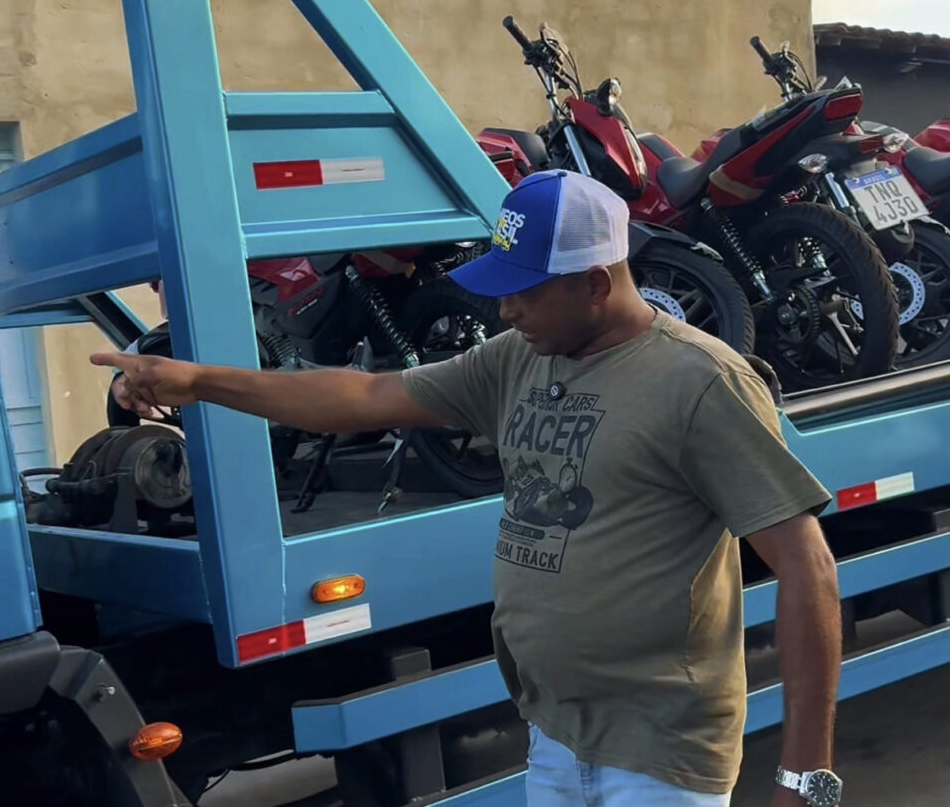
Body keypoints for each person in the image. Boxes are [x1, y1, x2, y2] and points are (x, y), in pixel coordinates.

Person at [92, 170, 843, 807]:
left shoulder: (700, 382)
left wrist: (805, 777)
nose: (504, 310)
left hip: (657, 754)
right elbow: (363, 395)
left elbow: (807, 568)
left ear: (594, 284)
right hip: (556, 734)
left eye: (525, 292)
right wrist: (200, 382)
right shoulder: (518, 358)